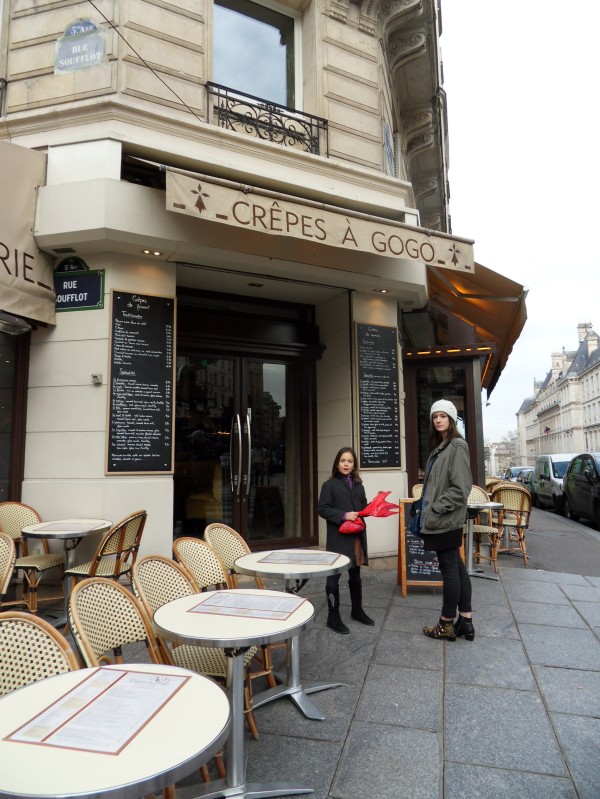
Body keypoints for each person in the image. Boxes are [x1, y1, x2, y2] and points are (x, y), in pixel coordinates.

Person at [420, 400, 475, 642]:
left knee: (450, 569)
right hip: (443, 519)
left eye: (443, 416)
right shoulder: (442, 447)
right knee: (458, 569)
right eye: (435, 416)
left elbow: (461, 488)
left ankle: (446, 623)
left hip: (445, 519)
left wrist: (436, 507)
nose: (438, 420)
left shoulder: (457, 446)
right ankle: (466, 621)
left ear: (451, 419)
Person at [318, 447, 374, 634]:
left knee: (355, 573)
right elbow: (323, 509)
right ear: (337, 463)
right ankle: (332, 617)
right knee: (333, 576)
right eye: (343, 461)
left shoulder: (359, 485)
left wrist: (373, 507)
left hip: (356, 536)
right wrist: (344, 515)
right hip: (338, 538)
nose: (346, 464)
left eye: (350, 461)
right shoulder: (329, 485)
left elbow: (362, 508)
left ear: (354, 465)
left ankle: (357, 610)